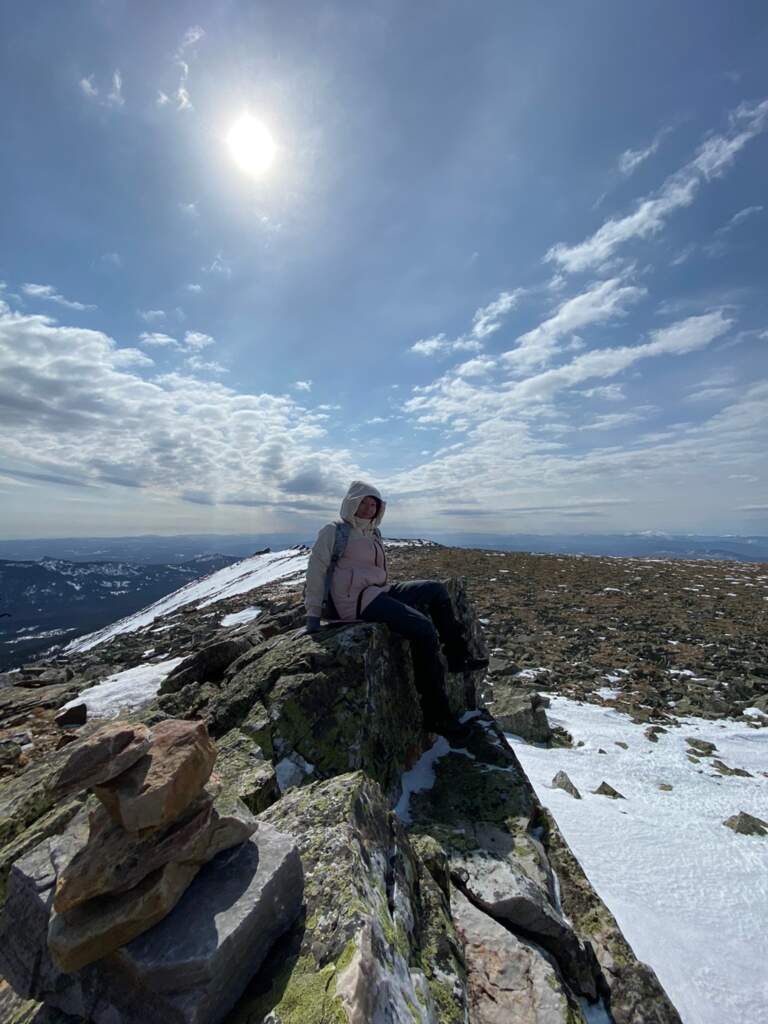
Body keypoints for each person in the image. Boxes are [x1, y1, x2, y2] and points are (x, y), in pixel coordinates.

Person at [304, 479, 488, 732]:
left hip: (379, 591)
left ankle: (458, 657)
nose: (369, 508)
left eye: (374, 504)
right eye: (364, 503)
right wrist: (313, 613)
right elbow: (316, 570)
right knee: (423, 630)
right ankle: (436, 714)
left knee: (436, 590)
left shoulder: (373, 532)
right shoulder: (334, 531)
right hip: (354, 602)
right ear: (351, 503)